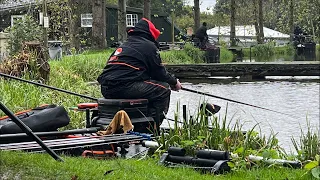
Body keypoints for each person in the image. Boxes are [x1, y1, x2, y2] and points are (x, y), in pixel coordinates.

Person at [97, 18, 182, 127]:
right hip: (125, 87)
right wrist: (174, 83)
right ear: (151, 34)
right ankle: (151, 127)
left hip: (106, 88)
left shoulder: (124, 45)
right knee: (163, 89)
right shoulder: (149, 46)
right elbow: (159, 73)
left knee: (151, 86)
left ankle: (135, 121)